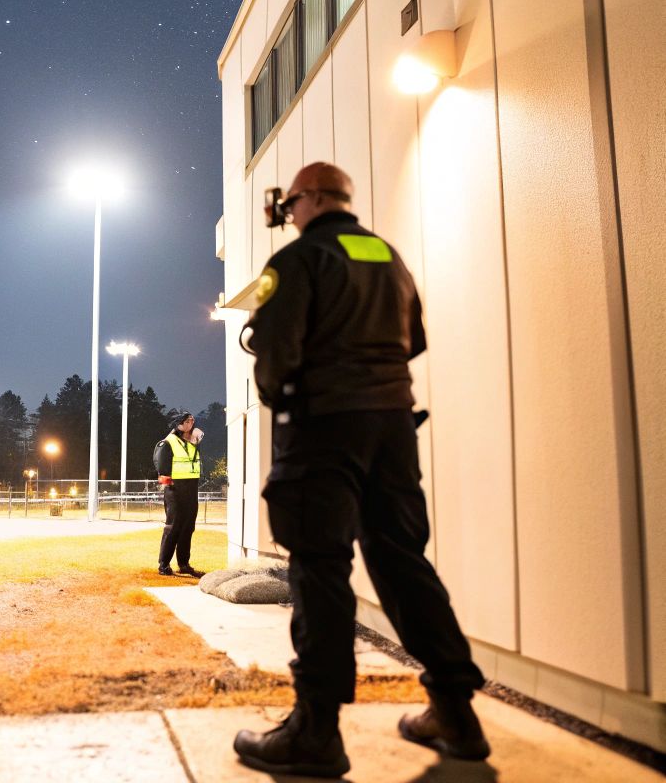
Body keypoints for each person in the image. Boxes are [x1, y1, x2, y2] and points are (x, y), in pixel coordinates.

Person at [232, 162, 488, 777]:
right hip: (392, 428)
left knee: (319, 569)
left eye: (292, 204)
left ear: (316, 199)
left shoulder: (297, 262)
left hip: (324, 430)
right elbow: (414, 340)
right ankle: (455, 712)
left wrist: (285, 380)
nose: (288, 214)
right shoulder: (388, 257)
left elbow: (274, 363)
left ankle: (315, 731)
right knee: (403, 562)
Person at [152, 412, 203, 577]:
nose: (191, 423)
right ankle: (164, 565)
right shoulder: (168, 442)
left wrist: (195, 433)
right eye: (187, 421)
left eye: (192, 420)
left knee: (188, 526)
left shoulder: (190, 442)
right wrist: (166, 479)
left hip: (191, 486)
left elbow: (199, 436)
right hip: (175, 488)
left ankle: (184, 563)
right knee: (173, 527)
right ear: (178, 424)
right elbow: (161, 465)